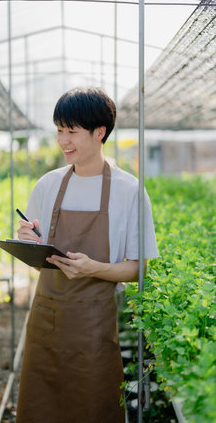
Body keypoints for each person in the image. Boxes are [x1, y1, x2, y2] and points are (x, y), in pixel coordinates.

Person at [16, 87, 158, 423]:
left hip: (93, 325)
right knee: (41, 407)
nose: (63, 141)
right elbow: (38, 257)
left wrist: (94, 268)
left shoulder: (129, 191)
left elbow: (138, 269)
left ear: (99, 133)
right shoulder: (47, 185)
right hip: (45, 320)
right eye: (59, 131)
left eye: (72, 132)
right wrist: (27, 241)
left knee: (93, 407)